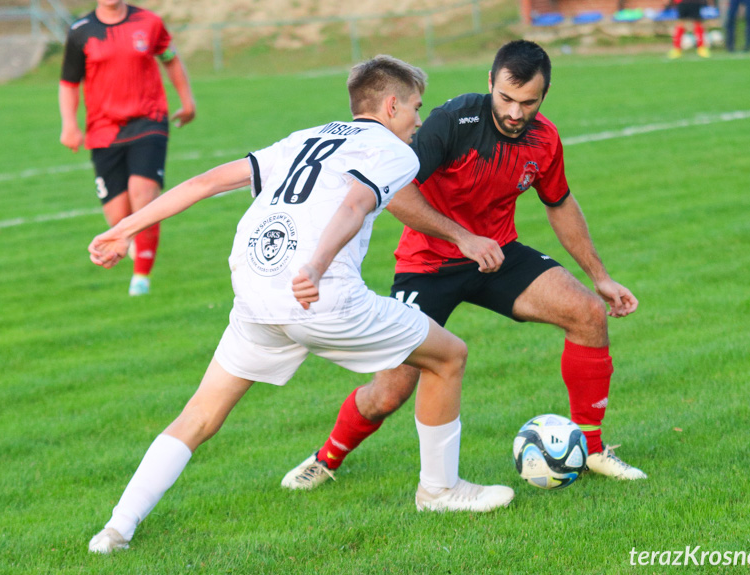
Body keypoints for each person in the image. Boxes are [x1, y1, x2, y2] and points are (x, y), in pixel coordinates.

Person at [85, 55, 515, 554]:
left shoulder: (304, 137)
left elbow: (205, 183)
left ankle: (116, 529)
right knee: (448, 356)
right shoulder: (396, 151)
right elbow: (356, 204)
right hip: (321, 296)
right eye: (415, 108)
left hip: (254, 291)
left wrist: (122, 230)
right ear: (392, 104)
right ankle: (439, 491)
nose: (419, 121)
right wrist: (315, 266)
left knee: (199, 415)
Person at [282, 40, 647, 492]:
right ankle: (328, 457)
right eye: (507, 99)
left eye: (528, 102)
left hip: (496, 255)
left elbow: (559, 203)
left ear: (544, 96)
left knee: (588, 313)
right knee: (391, 390)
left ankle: (591, 448)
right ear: (490, 83)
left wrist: (601, 277)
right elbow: (395, 191)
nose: (515, 113)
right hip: (428, 263)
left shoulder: (544, 139)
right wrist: (462, 237)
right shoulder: (455, 121)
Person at [59, 0, 196, 296]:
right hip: (104, 132)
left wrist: (187, 101)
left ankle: (141, 279)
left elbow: (170, 58)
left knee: (143, 196)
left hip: (149, 121)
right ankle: (136, 245)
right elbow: (69, 83)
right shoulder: (80, 32)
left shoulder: (149, 22)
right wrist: (69, 124)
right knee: (118, 217)